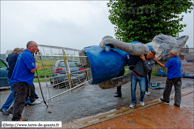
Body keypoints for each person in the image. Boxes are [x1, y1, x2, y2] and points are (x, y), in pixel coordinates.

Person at [11, 41, 39, 121]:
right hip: (21, 81)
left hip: (21, 81)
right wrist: (37, 65)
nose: (37, 48)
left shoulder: (24, 54)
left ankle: (15, 112)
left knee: (21, 99)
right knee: (20, 100)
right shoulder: (26, 55)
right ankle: (16, 119)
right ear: (30, 47)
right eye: (35, 46)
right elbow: (32, 69)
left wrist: (33, 60)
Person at [0, 48, 22, 115]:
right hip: (12, 78)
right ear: (18, 52)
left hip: (12, 77)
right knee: (14, 93)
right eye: (20, 52)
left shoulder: (10, 57)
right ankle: (4, 108)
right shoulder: (14, 56)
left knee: (17, 93)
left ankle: (12, 108)